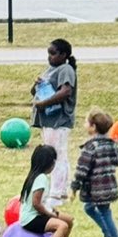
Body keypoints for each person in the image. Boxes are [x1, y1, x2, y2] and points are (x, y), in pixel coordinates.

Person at [31, 39, 77, 198]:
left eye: (53, 53)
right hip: (48, 121)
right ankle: (59, 189)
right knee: (53, 154)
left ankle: (58, 191)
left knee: (57, 155)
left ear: (63, 55)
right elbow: (37, 91)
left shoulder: (66, 69)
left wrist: (44, 103)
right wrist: (36, 84)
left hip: (58, 120)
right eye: (48, 53)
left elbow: (65, 91)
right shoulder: (51, 69)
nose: (49, 57)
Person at [72, 108, 118, 237]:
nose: (84, 124)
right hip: (109, 186)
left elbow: (82, 170)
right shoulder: (112, 145)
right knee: (89, 207)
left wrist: (74, 187)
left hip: (97, 188)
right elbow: (117, 161)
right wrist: (117, 146)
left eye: (86, 122)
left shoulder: (91, 147)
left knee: (104, 211)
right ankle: (107, 234)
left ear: (93, 127)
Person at [16, 143, 73, 237]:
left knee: (69, 220)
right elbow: (36, 203)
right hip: (31, 219)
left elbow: (42, 201)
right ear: (48, 163)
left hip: (37, 215)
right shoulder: (41, 178)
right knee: (62, 226)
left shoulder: (35, 175)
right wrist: (49, 214)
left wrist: (52, 210)